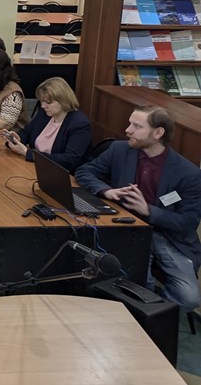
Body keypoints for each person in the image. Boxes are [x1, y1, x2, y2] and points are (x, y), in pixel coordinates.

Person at [76, 106, 201, 312]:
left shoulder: (188, 173)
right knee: (140, 283)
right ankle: (140, 311)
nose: (128, 130)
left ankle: (151, 314)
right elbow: (85, 171)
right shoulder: (119, 150)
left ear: (158, 133)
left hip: (166, 235)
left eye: (137, 126)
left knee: (189, 298)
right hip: (127, 226)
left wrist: (149, 211)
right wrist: (107, 191)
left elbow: (188, 222)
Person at [4, 77, 91, 171]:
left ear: (63, 100)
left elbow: (68, 160)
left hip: (60, 173)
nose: (43, 106)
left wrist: (27, 153)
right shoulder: (45, 114)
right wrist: (17, 138)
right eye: (41, 101)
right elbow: (27, 132)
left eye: (48, 102)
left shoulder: (80, 124)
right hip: (34, 166)